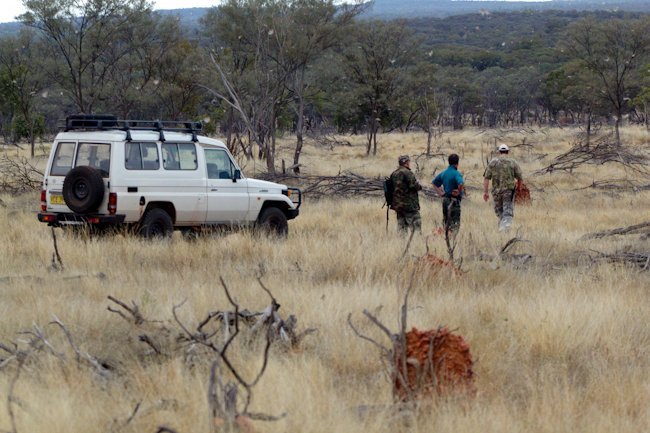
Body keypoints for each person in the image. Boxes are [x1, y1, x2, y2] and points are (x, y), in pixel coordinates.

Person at [483, 144, 523, 231]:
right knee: (507, 212)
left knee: (500, 212)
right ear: (508, 152)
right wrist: (519, 190)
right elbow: (520, 178)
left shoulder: (493, 162)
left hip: (496, 192)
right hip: (508, 192)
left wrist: (485, 192)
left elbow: (486, 178)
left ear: (499, 152)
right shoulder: (513, 162)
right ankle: (504, 229)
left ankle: (502, 229)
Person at [432, 153, 465, 232]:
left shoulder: (443, 173)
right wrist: (459, 191)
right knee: (455, 224)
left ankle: (445, 237)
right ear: (457, 163)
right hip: (454, 201)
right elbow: (461, 183)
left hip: (445, 200)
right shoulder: (456, 173)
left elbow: (434, 183)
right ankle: (452, 240)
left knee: (446, 222)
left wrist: (441, 193)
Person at [390, 155, 422, 233]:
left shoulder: (394, 173)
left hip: (398, 205)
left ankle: (401, 244)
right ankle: (418, 243)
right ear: (406, 162)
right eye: (409, 161)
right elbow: (414, 186)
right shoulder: (407, 172)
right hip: (409, 205)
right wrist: (419, 186)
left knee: (401, 228)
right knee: (416, 226)